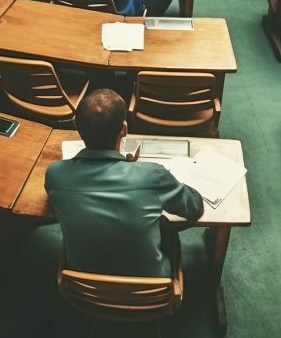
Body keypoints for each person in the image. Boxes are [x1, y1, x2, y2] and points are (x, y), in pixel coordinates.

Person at [44, 88, 203, 277]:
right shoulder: (153, 174)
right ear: (124, 128)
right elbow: (194, 207)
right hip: (150, 291)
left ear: (76, 125)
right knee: (164, 225)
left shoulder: (55, 174)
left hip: (84, 290)